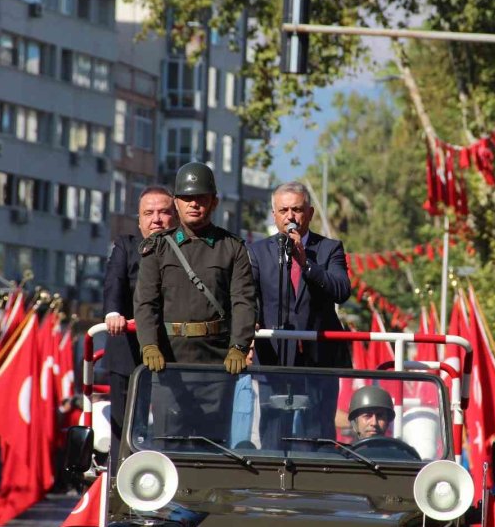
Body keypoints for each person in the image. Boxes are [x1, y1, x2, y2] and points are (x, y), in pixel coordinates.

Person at [133, 161, 257, 435]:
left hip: (216, 362)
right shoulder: (158, 248)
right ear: (176, 202)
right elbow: (146, 304)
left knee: (212, 447)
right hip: (169, 361)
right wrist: (149, 346)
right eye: (186, 198)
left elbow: (244, 302)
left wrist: (238, 346)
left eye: (200, 197)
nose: (193, 204)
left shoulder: (232, 248)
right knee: (169, 442)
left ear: (214, 202)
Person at [102, 185, 174, 468]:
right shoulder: (126, 245)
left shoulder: (185, 250)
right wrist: (113, 313)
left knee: (170, 427)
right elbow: (114, 282)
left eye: (164, 212)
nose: (156, 219)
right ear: (139, 219)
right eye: (149, 213)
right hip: (129, 351)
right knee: (127, 426)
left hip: (172, 353)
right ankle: (120, 484)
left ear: (176, 216)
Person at [247, 181, 352, 368]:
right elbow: (247, 296)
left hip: (319, 360)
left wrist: (306, 263)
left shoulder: (329, 249)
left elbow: (342, 291)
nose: (290, 217)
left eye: (296, 209)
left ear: (310, 213)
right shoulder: (257, 252)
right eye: (283, 210)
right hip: (272, 358)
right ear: (274, 216)